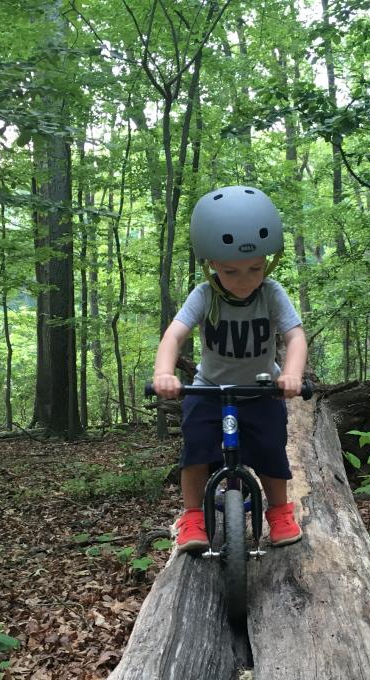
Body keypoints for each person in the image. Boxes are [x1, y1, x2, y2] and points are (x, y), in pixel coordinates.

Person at [152, 185, 308, 553]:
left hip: (261, 390)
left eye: (255, 268)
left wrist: (291, 374)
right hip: (210, 390)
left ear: (268, 262)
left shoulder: (271, 293)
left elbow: (295, 336)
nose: (245, 279)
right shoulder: (204, 295)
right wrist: (164, 373)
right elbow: (174, 335)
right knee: (195, 449)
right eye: (230, 271)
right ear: (211, 266)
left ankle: (279, 512)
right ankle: (192, 516)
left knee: (271, 450)